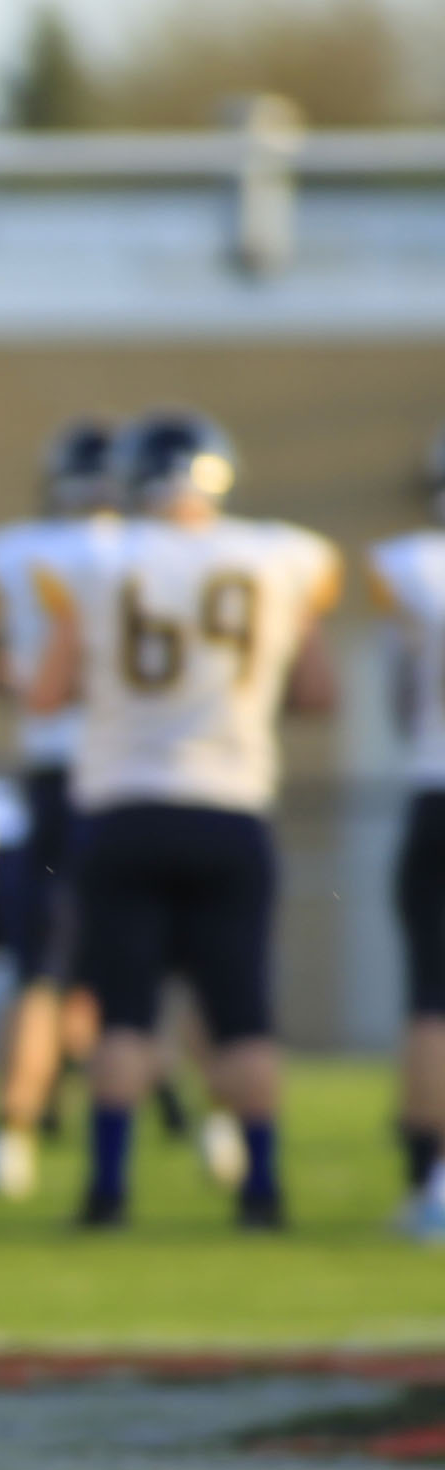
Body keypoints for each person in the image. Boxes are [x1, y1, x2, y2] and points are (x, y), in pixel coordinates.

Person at [28, 411, 339, 1230]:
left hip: (123, 807)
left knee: (124, 1012)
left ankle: (107, 1192)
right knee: (241, 1017)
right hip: (230, 807)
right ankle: (263, 1190)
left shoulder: (95, 556)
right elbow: (316, 692)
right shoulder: (280, 558)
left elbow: (46, 693)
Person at [0, 416, 126, 1200]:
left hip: (55, 780)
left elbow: (1, 666)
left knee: (37, 967)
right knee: (162, 970)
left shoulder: (10, 550)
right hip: (146, 779)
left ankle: (13, 1132)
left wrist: (19, 676)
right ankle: (221, 1130)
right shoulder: (158, 554)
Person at [369, 423, 445, 1240]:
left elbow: (400, 699)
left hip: (437, 784)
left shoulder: (416, 566)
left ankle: (432, 1178)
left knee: (433, 999)